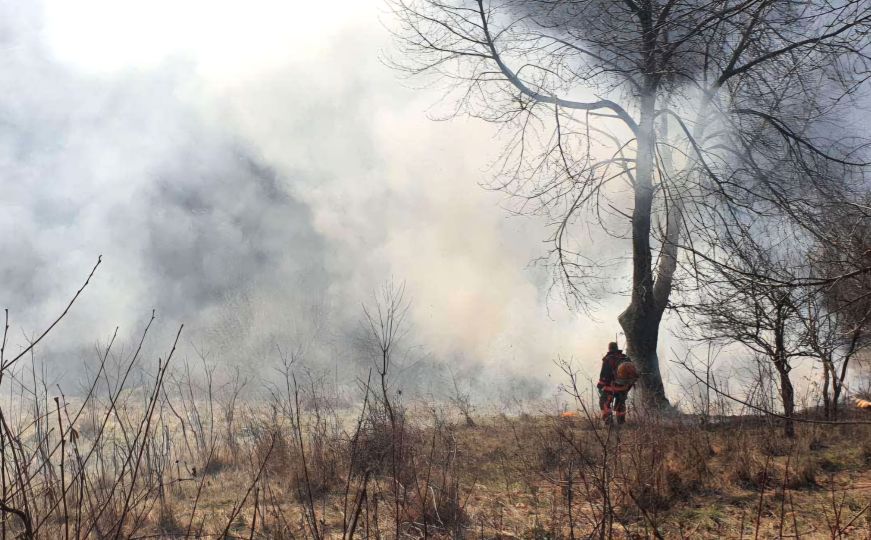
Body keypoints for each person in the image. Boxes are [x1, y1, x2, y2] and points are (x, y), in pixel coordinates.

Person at [597, 342, 635, 425]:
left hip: (611, 387)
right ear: (617, 348)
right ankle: (621, 423)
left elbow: (603, 375)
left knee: (604, 402)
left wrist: (600, 386)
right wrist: (626, 387)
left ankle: (608, 423)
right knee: (620, 404)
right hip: (624, 387)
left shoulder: (608, 359)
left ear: (609, 349)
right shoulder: (625, 358)